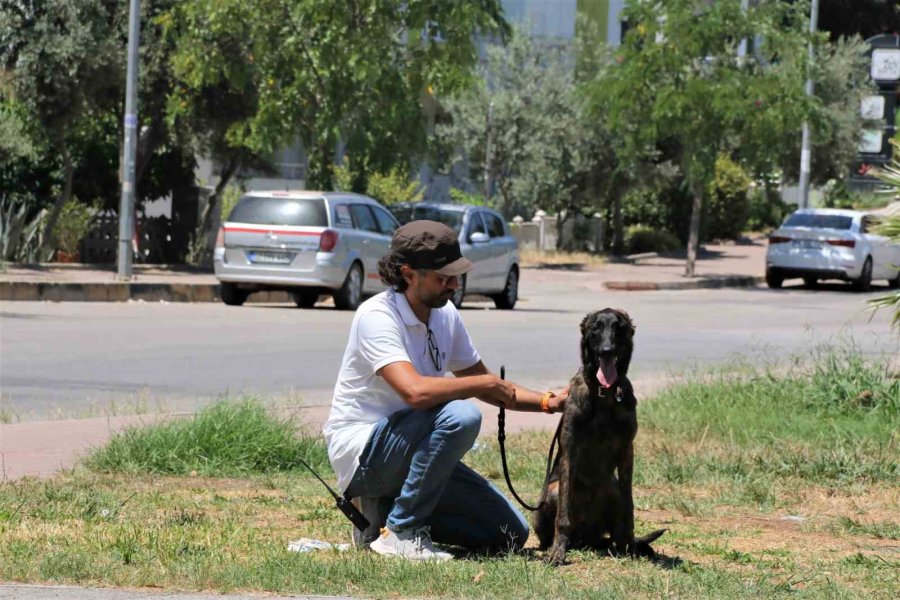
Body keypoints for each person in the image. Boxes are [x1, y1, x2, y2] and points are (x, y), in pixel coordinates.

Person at [323, 220, 569, 561]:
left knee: (509, 532)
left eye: (457, 274)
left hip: (414, 449)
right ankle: (401, 532)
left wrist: (549, 401)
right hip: (364, 454)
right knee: (461, 414)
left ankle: (384, 512)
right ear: (409, 274)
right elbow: (415, 393)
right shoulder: (377, 316)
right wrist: (481, 385)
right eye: (444, 277)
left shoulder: (445, 314)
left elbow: (490, 384)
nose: (455, 284)